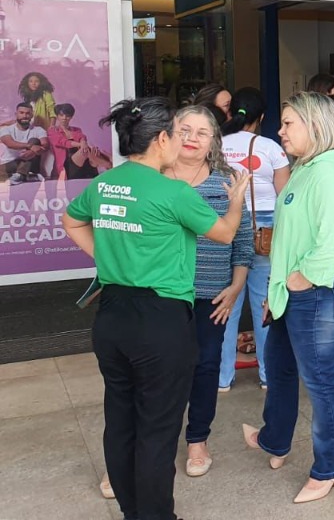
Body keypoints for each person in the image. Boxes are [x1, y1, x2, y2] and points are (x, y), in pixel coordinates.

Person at [62, 97, 249, 520]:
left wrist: (108, 262)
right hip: (160, 321)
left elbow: (71, 220)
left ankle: (134, 512)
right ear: (161, 139)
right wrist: (236, 199)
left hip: (111, 316)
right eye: (177, 134)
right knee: (157, 430)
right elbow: (223, 233)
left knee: (121, 419)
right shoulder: (174, 192)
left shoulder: (105, 182)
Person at [241, 91, 334, 505]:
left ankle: (329, 468)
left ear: (315, 126)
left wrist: (300, 279)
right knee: (279, 364)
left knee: (321, 381)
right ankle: (275, 440)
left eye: (289, 123)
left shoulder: (328, 171)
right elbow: (294, 237)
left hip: (319, 287)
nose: (280, 130)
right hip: (297, 289)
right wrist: (279, 290)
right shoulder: (307, 168)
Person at [163, 105, 254, 479]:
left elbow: (243, 238)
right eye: (185, 129)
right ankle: (153, 444)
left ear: (213, 141)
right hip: (162, 294)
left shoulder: (227, 179)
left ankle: (197, 440)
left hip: (212, 296)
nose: (192, 138)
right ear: (170, 132)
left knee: (205, 367)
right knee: (160, 372)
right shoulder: (156, 178)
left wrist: (236, 286)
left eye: (202, 132)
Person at [219, 87, 291, 391]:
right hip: (264, 229)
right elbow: (285, 195)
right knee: (264, 300)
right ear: (261, 117)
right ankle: (267, 376)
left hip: (224, 226)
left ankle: (221, 378)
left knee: (225, 303)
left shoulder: (216, 145)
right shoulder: (270, 147)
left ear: (231, 112)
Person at [47, 103, 112, 181]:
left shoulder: (76, 130)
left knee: (88, 151)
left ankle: (96, 161)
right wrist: (81, 144)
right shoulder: (52, 131)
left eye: (67, 116)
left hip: (83, 161)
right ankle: (106, 163)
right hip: (67, 165)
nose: (64, 118)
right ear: (57, 116)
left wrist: (83, 142)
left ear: (71, 117)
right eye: (61, 115)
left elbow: (81, 137)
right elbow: (63, 142)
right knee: (85, 151)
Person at [1, 102, 48, 184]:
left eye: (28, 113)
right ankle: (27, 176)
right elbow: (10, 144)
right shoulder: (6, 129)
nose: (24, 116)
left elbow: (45, 145)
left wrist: (33, 151)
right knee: (33, 144)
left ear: (32, 115)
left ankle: (20, 174)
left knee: (34, 140)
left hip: (32, 165)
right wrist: (30, 147)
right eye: (21, 113)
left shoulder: (38, 130)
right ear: (16, 114)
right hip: (10, 164)